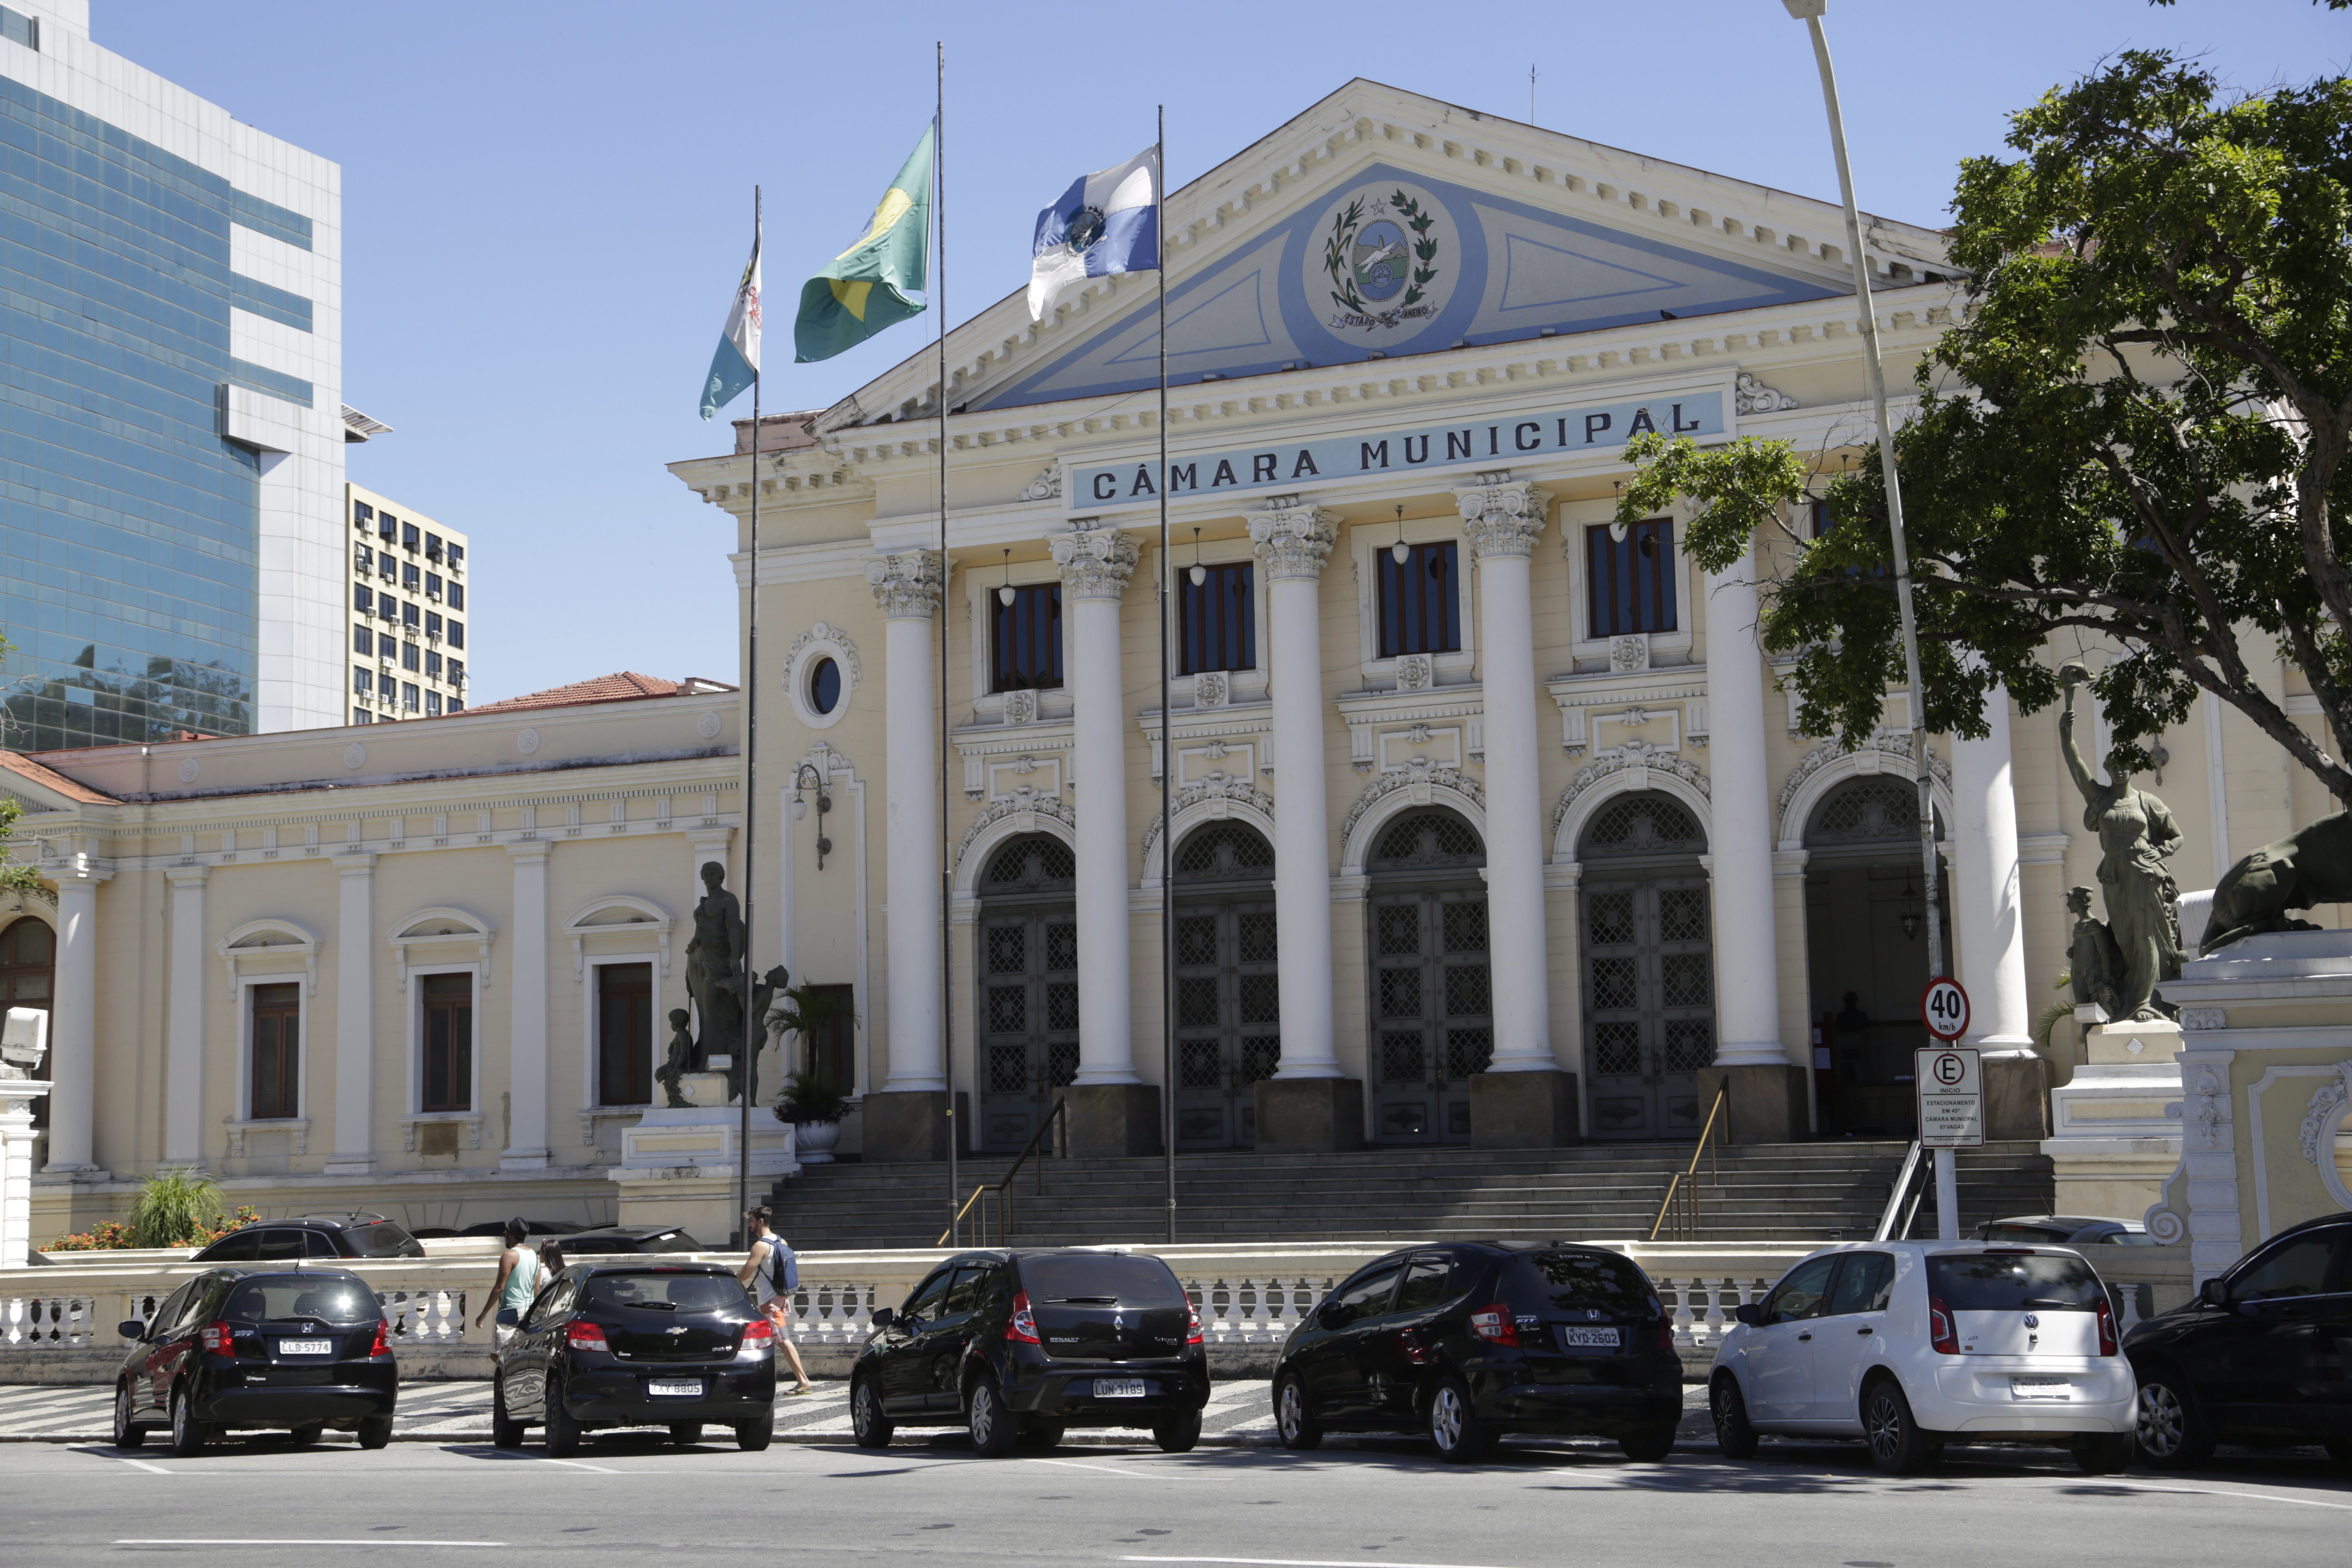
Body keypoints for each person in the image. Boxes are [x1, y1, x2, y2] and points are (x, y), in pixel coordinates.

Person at [737, 1206, 813, 1396]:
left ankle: (803, 1381)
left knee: (783, 1340)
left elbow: (745, 1275)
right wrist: (785, 1296)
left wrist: (726, 1280)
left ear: (761, 1222)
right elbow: (785, 1273)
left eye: (752, 1221)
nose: (749, 1225)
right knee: (762, 1340)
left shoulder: (760, 1246)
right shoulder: (781, 1241)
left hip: (769, 1303)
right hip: (776, 1299)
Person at [473, 1218, 543, 1349]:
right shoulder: (534, 1255)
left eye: (505, 1234)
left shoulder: (509, 1255)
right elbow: (537, 1289)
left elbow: (499, 1288)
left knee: (498, 1354)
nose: (505, 1237)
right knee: (520, 1352)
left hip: (510, 1312)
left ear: (510, 1235)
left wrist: (483, 1314)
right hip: (528, 1311)